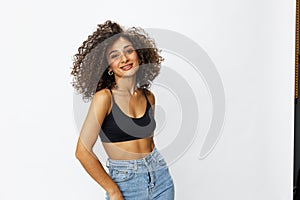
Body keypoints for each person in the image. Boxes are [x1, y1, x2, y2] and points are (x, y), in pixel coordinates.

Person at [70, 20, 175, 200]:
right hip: (127, 184)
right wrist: (113, 191)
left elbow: (148, 143)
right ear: (107, 66)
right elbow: (82, 151)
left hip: (161, 179)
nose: (124, 59)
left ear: (139, 55)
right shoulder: (105, 98)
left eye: (128, 51)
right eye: (115, 55)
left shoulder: (148, 97)